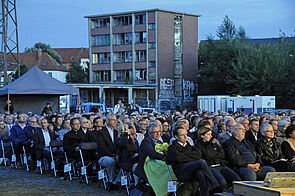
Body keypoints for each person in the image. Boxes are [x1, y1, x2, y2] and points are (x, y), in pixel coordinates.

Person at [167, 126, 222, 196]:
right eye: (182, 135)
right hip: (182, 172)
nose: (185, 136)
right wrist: (191, 157)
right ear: (176, 137)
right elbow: (178, 158)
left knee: (200, 173)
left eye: (186, 134)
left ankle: (205, 194)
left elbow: (198, 155)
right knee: (201, 162)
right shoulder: (172, 148)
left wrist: (185, 155)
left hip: (192, 170)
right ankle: (214, 185)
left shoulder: (189, 146)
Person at [96, 114, 119, 190]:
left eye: (115, 120)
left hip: (115, 156)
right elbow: (102, 147)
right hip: (104, 156)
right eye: (113, 120)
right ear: (108, 121)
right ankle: (111, 180)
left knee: (126, 162)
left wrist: (117, 155)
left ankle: (115, 182)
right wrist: (112, 155)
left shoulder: (116, 132)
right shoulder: (101, 132)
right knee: (111, 162)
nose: (115, 122)